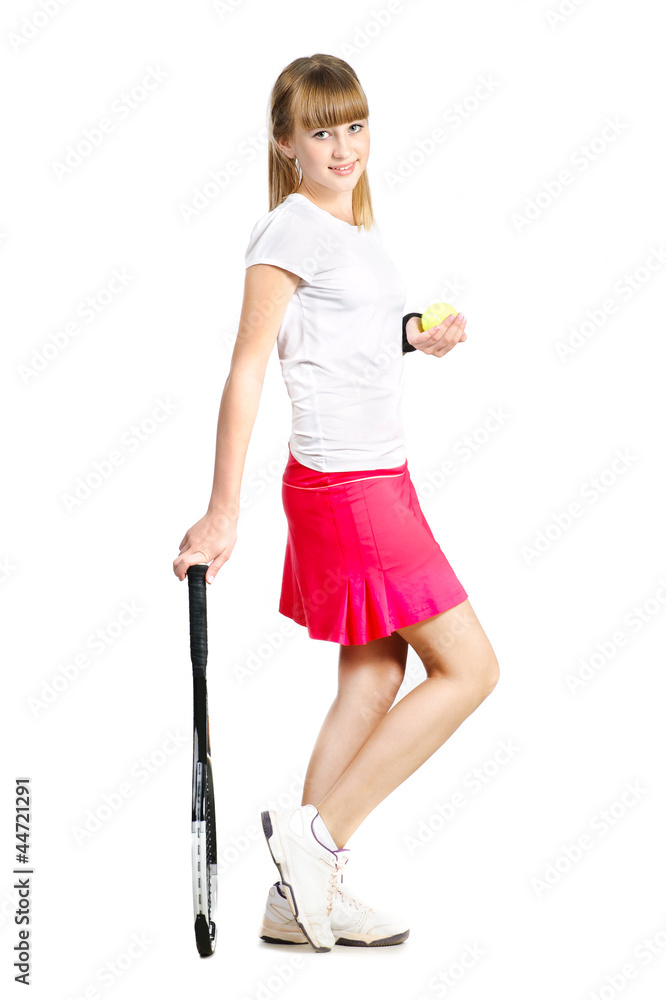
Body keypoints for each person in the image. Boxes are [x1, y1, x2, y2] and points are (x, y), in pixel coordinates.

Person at [173, 53, 500, 952]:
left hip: (375, 476)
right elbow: (247, 369)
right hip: (348, 489)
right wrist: (221, 512)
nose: (344, 146)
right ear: (286, 143)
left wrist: (414, 336)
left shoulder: (352, 226)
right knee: (472, 669)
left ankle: (294, 901)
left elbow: (347, 337)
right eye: (322, 131)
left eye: (354, 125)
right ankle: (317, 844)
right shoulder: (287, 230)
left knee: (374, 676)